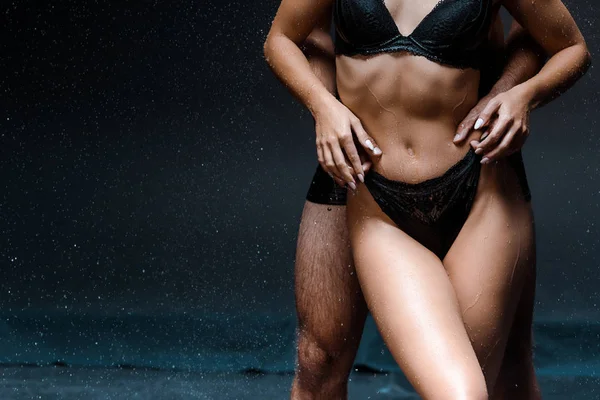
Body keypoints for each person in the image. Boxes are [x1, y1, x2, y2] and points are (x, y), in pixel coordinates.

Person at [264, 1, 591, 399]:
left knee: (495, 377)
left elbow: (565, 44)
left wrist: (522, 95)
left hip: (475, 181)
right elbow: (286, 36)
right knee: (320, 363)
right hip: (370, 189)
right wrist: (323, 106)